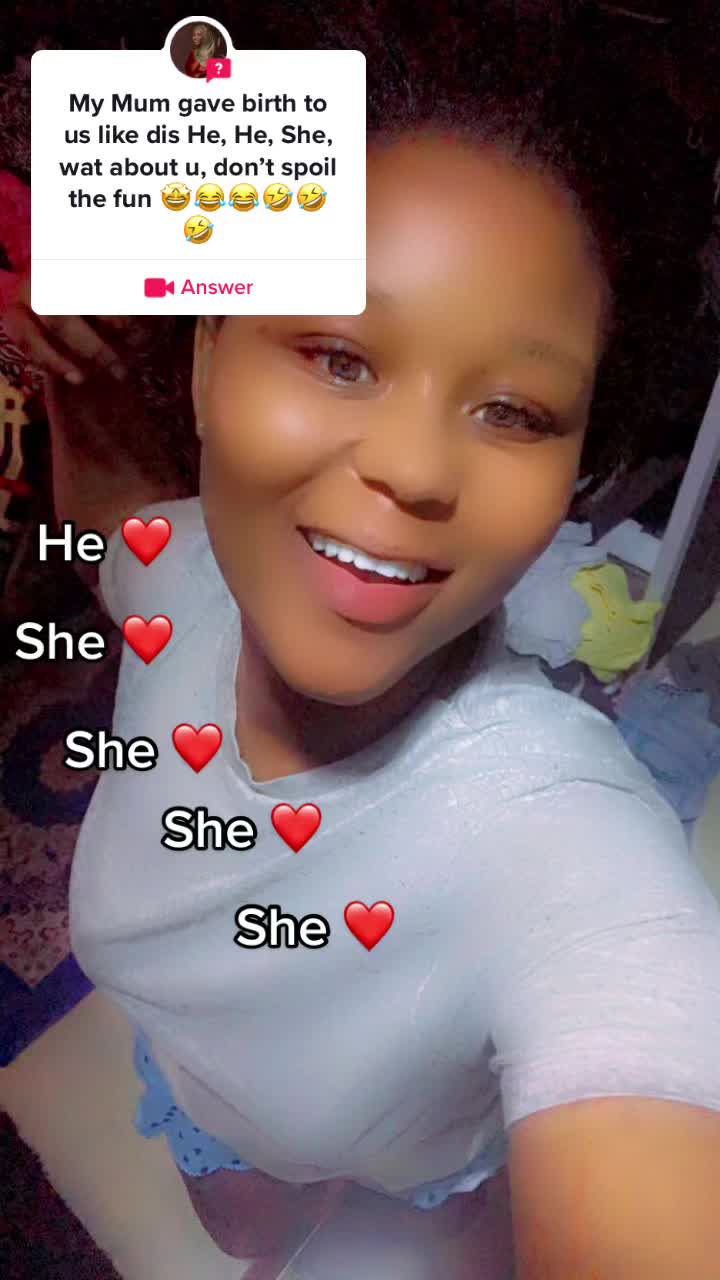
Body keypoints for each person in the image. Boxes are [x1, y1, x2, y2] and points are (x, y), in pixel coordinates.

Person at [6, 6, 720, 1277]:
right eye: (339, 356)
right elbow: (120, 526)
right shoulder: (189, 569)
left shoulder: (561, 835)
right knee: (242, 1225)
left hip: (409, 1160)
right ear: (210, 354)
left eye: (516, 409)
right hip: (202, 1096)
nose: (414, 466)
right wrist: (78, 374)